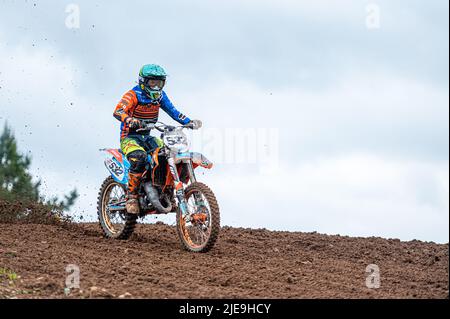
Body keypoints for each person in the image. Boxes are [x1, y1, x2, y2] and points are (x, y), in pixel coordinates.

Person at [113, 64, 202, 214]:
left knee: (169, 153)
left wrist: (188, 122)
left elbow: (173, 111)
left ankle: (167, 192)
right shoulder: (132, 95)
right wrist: (129, 120)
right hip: (130, 138)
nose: (155, 87)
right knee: (139, 158)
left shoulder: (161, 96)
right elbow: (118, 111)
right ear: (143, 81)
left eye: (159, 83)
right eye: (152, 82)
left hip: (148, 136)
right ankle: (132, 196)